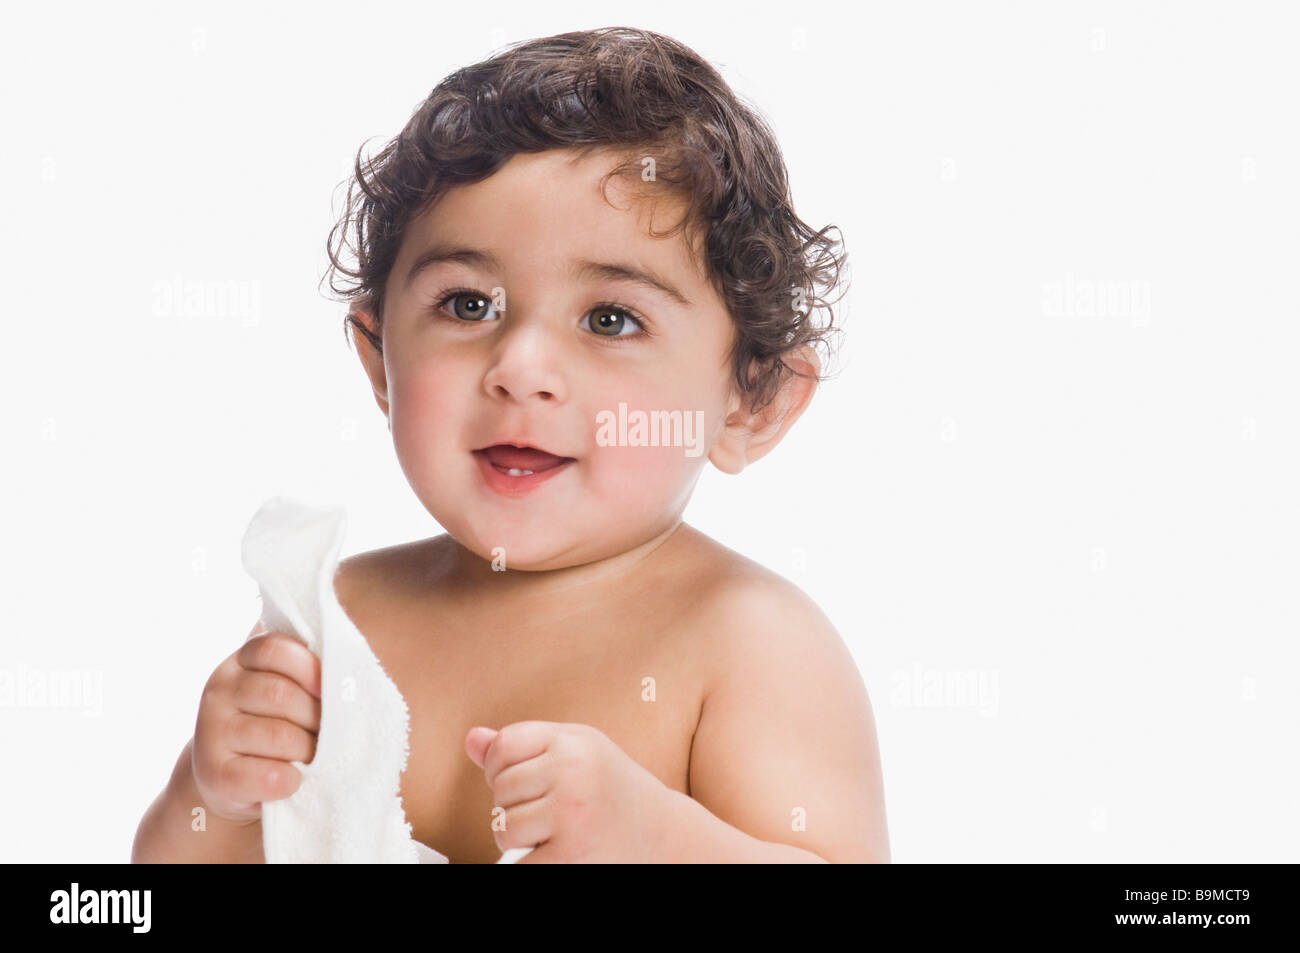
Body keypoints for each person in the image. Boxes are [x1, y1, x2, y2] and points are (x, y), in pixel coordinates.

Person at [133, 25, 887, 864]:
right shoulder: (339, 621)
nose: (521, 369)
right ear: (379, 360)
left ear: (754, 401)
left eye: (611, 319)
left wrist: (657, 839)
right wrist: (212, 799)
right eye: (466, 305)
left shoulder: (749, 643)